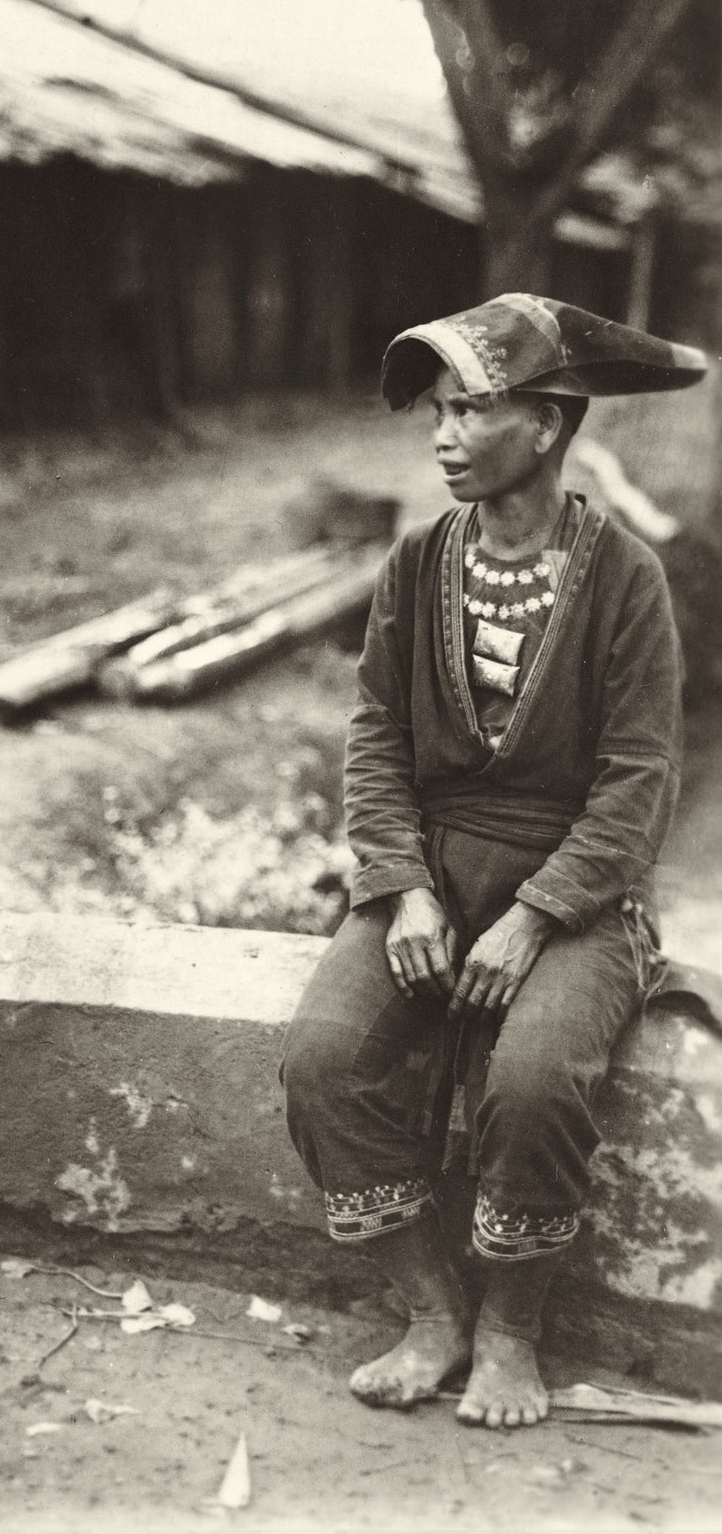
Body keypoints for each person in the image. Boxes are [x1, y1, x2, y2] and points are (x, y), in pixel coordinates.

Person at [281, 293, 711, 1429]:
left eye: (473, 408)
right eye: (436, 408)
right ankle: (430, 1308)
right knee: (323, 1055)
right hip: (429, 870)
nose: (441, 434)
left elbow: (636, 779)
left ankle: (512, 1328)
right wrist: (404, 883)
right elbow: (374, 732)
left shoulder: (623, 579)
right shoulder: (418, 559)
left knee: (530, 1080)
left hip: (577, 893)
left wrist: (533, 915)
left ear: (548, 423)